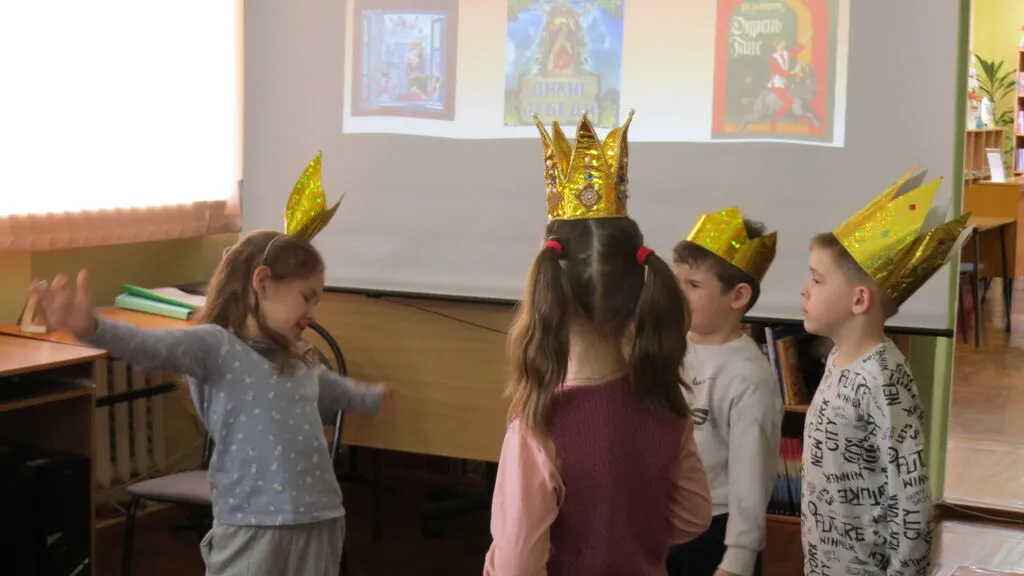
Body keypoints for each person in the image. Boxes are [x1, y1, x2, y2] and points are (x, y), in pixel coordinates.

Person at [32, 154, 391, 576]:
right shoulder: (215, 347)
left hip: (319, 517)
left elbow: (328, 389)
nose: (312, 313)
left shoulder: (296, 360)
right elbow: (148, 346)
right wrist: (92, 327)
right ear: (263, 283)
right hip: (253, 523)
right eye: (306, 297)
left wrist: (370, 396)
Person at [484, 111, 712, 575]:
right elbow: (693, 517)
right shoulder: (663, 401)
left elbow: (514, 567)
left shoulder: (540, 424)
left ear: (549, 290)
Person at [799, 168, 971, 575]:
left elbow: (910, 499)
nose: (804, 289)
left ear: (859, 300)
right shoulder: (837, 358)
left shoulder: (883, 377)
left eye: (817, 280)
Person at [666, 208, 782, 576]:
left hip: (714, 533)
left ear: (738, 296)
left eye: (693, 285)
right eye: (677, 281)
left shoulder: (748, 376)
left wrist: (738, 559)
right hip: (664, 523)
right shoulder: (671, 348)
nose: (677, 294)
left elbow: (752, 476)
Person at [767, 30, 812, 131]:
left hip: (784, 84)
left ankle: (798, 118)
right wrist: (794, 71)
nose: (784, 44)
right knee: (788, 103)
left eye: (784, 42)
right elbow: (781, 72)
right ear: (778, 45)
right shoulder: (773, 59)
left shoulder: (785, 54)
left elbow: (798, 49)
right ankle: (773, 123)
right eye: (782, 43)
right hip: (777, 86)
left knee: (796, 97)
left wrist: (807, 36)